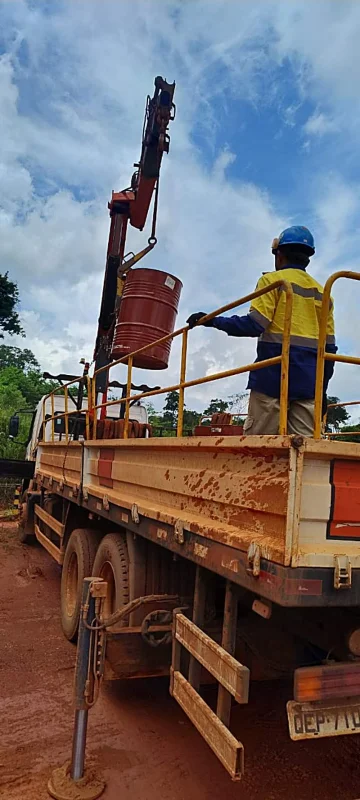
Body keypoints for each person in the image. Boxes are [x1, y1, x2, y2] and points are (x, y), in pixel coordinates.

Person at [186, 226, 336, 436]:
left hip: (272, 376)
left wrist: (212, 321)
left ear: (279, 254)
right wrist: (322, 390)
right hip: (309, 380)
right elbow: (329, 349)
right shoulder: (324, 293)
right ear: (307, 259)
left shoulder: (273, 281)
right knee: (305, 450)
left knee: (260, 446)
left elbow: (254, 325)